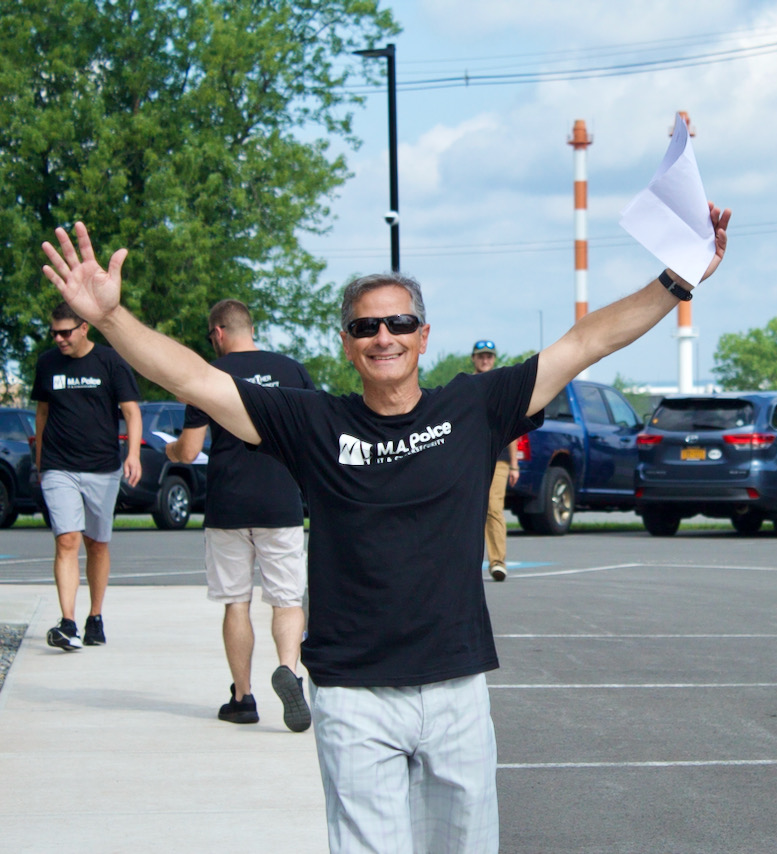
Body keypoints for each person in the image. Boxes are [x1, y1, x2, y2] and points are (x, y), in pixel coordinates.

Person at [41, 208, 729, 853]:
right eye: (366, 328)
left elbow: (587, 341)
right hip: (352, 695)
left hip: (454, 687)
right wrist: (111, 319)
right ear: (347, 344)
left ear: (423, 337)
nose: (384, 338)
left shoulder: (475, 406)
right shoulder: (315, 422)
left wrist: (677, 281)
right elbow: (196, 378)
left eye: (399, 324)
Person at [165, 299, 316, 732]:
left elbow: (190, 449)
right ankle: (290, 670)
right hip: (281, 499)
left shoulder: (210, 376)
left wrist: (171, 450)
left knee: (237, 601)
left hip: (229, 502)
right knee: (287, 599)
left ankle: (242, 696)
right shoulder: (292, 370)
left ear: (217, 333)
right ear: (250, 327)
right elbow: (310, 432)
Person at [32, 301, 142, 651]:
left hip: (103, 467)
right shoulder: (47, 363)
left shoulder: (110, 361)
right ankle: (68, 622)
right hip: (58, 466)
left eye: (66, 332)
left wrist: (134, 455)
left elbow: (131, 411)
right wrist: (40, 462)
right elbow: (42, 412)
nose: (60, 339)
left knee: (97, 543)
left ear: (84, 328)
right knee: (67, 540)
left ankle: (95, 617)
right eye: (54, 333)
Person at [470, 339, 520, 581]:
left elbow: (510, 429)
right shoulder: (466, 387)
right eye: (481, 356)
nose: (485, 360)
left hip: (498, 458)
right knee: (468, 509)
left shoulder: (502, 388)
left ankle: (497, 562)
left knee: (493, 508)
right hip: (471, 457)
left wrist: (514, 464)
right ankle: (466, 563)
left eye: (489, 356)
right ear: (473, 359)